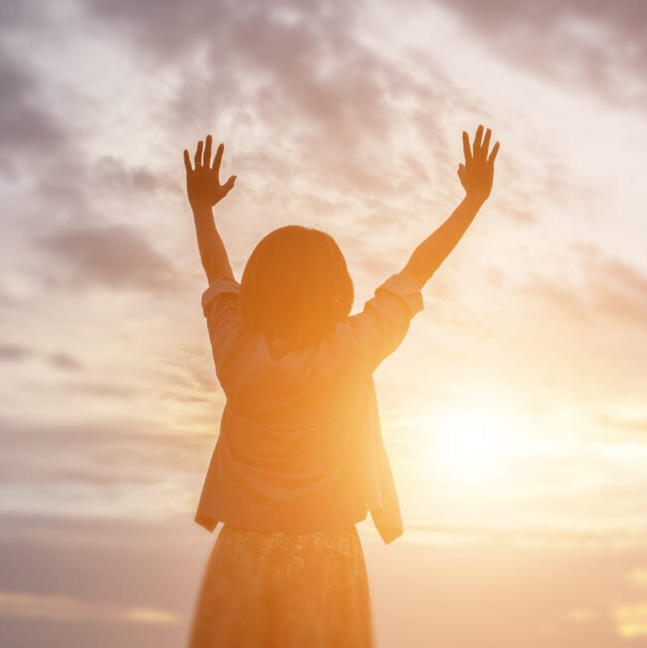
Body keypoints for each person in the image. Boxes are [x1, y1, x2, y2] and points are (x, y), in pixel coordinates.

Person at [183, 127, 500, 647]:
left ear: (256, 288)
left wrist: (201, 209)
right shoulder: (352, 349)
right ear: (336, 290)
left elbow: (217, 272)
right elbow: (418, 269)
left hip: (241, 551)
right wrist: (472, 201)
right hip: (325, 554)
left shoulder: (235, 349)